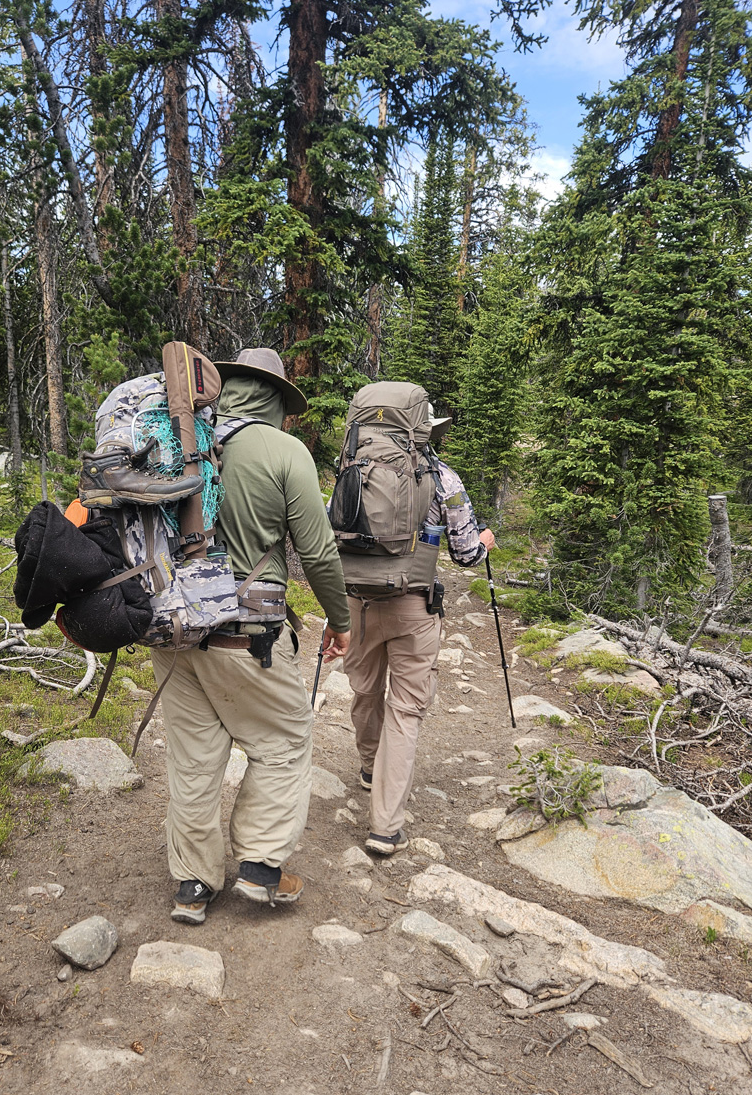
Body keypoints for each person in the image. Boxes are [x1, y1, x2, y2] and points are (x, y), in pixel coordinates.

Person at [151, 348, 351, 924]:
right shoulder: (285, 452)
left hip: (173, 631)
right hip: (247, 634)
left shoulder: (176, 438)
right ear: (280, 402)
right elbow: (316, 553)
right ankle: (261, 869)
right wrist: (341, 623)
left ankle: (192, 885)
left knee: (194, 758)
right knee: (284, 741)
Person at [341, 398, 495, 855]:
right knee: (406, 710)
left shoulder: (350, 468)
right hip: (413, 605)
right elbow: (466, 553)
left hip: (358, 602)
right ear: (426, 432)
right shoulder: (442, 477)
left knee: (365, 689)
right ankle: (385, 827)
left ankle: (370, 768)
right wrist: (485, 541)